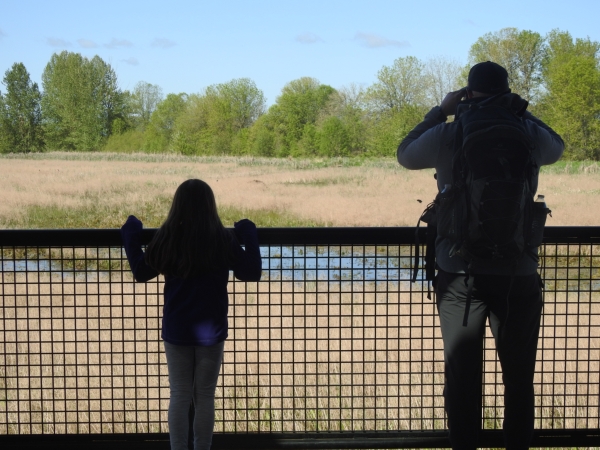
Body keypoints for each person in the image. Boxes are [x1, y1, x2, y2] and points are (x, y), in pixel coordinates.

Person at [397, 62, 564, 449]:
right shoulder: (526, 131)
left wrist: (441, 109)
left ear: (467, 93)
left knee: (462, 378)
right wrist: (516, 110)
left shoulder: (449, 132)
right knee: (519, 379)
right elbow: (557, 144)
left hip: (459, 274)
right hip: (517, 272)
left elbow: (405, 153)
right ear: (507, 93)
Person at [120, 179, 262, 450]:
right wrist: (248, 232)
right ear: (211, 206)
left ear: (178, 206)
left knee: (180, 393)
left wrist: (131, 233)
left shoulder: (168, 237)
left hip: (177, 328)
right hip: (212, 329)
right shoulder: (222, 238)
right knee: (205, 395)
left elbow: (141, 271)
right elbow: (251, 272)